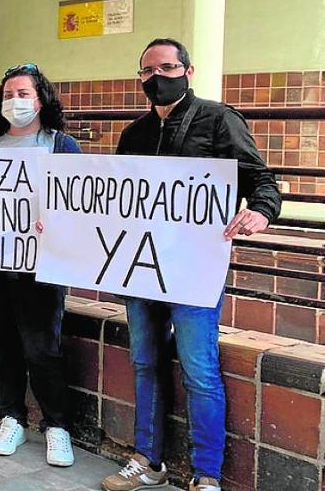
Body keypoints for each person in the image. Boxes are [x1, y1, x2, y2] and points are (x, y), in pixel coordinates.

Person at [100, 39, 281, 491]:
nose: (156, 77)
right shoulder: (134, 134)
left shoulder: (219, 120)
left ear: (187, 70)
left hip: (195, 267)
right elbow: (113, 199)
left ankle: (206, 475)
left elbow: (260, 178)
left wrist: (260, 210)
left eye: (166, 67)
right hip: (141, 268)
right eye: (147, 71)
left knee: (199, 367)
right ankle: (148, 459)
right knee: (145, 361)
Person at [0, 64, 78, 467]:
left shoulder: (60, 145)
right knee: (1, 345)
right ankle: (12, 417)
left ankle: (57, 426)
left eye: (24, 94)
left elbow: (80, 202)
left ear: (41, 99)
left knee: (41, 347)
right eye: (8, 95)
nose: (15, 101)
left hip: (40, 267)